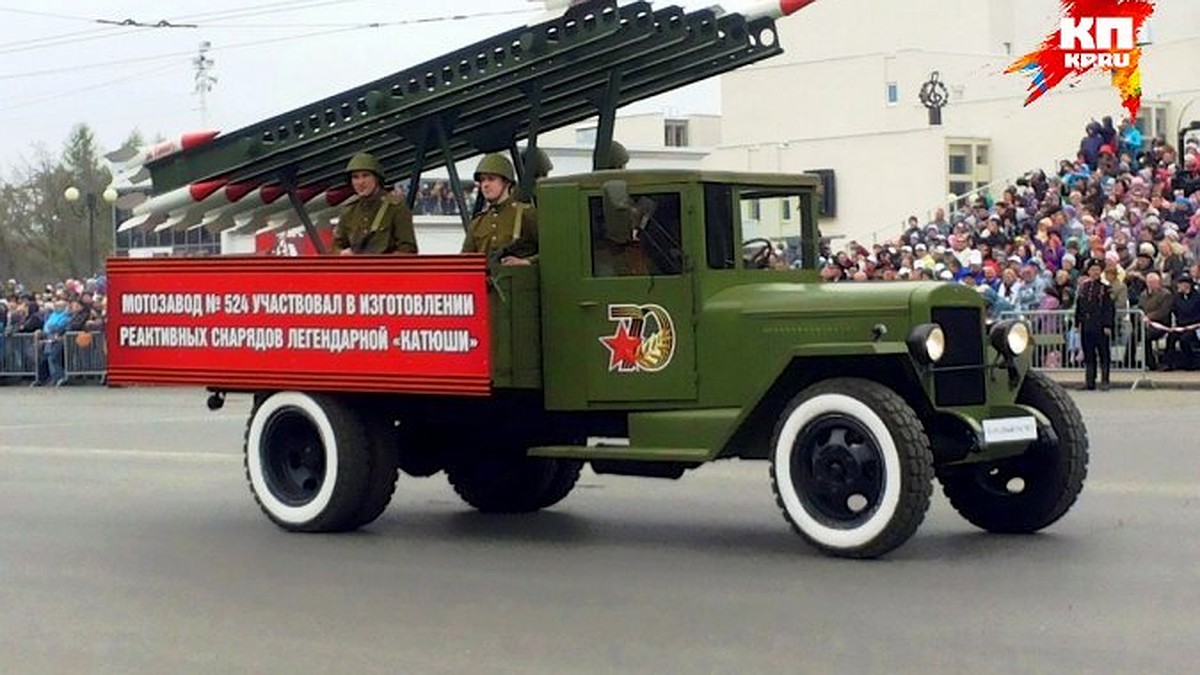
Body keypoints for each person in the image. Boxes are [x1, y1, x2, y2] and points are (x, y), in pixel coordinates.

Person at [333, 152, 418, 255]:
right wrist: (342, 253)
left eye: (366, 176)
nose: (360, 182)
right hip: (355, 269)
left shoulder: (395, 208)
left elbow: (408, 249)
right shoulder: (349, 209)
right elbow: (336, 246)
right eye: (355, 177)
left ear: (376, 178)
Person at [462, 153, 538, 265]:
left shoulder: (526, 214)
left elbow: (551, 251)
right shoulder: (477, 223)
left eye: (491, 179)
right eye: (482, 180)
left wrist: (527, 262)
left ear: (506, 182)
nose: (485, 185)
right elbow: (465, 263)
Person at [1074, 258, 1115, 390]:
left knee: (1103, 353)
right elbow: (1079, 307)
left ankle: (1105, 381)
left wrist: (1108, 325)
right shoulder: (1083, 288)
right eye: (1092, 270)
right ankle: (1090, 381)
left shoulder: (1105, 288)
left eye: (1097, 270)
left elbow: (1109, 309)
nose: (1095, 272)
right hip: (1087, 325)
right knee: (1088, 353)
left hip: (1100, 325)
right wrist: (1077, 323)